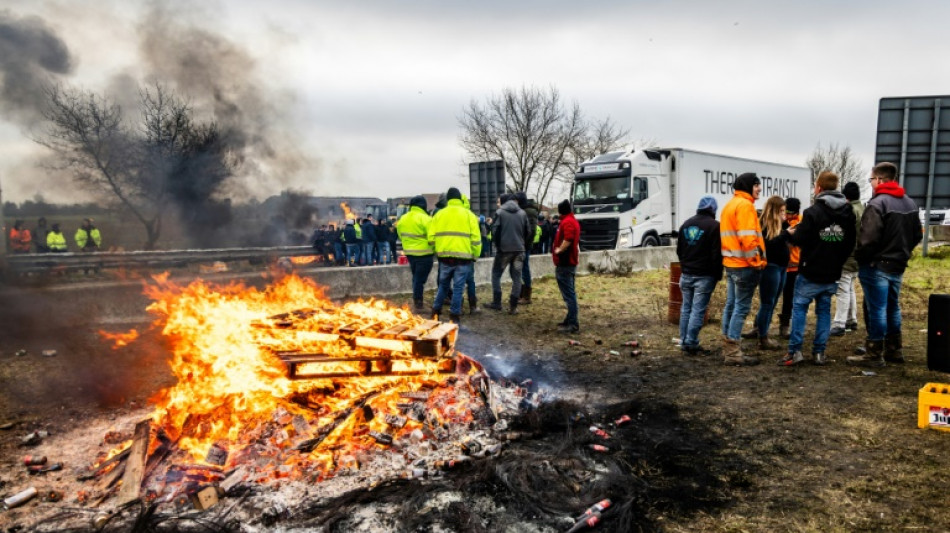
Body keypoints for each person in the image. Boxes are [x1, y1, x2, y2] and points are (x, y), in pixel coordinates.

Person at [848, 162, 922, 367]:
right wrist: (903, 252)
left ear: (879, 180)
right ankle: (894, 349)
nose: (871, 183)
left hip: (876, 265)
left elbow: (868, 240)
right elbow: (917, 234)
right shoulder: (909, 203)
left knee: (877, 309)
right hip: (898, 264)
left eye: (871, 179)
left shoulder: (877, 204)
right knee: (892, 307)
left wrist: (861, 257)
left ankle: (874, 353)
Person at [779, 171, 856, 366]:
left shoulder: (813, 212)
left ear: (819, 188)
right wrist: (838, 260)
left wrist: (788, 235)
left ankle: (795, 351)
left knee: (799, 309)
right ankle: (819, 352)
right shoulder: (848, 212)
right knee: (823, 311)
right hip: (833, 272)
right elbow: (849, 242)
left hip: (810, 269)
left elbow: (800, 239)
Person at [719, 172, 765, 366]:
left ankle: (727, 344)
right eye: (756, 185)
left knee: (731, 305)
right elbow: (748, 239)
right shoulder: (745, 206)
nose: (759, 189)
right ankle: (733, 352)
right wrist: (757, 263)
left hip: (730, 264)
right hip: (744, 266)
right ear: (748, 186)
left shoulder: (730, 205)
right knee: (741, 308)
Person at [676, 196, 723, 355]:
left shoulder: (686, 224)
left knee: (686, 309)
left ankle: (683, 341)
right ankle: (691, 342)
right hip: (704, 275)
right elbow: (717, 254)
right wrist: (717, 274)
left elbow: (679, 250)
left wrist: (685, 266)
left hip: (686, 274)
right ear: (714, 210)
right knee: (698, 310)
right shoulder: (715, 226)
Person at [742, 196, 790, 350]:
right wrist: (786, 234)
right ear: (774, 211)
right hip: (770, 266)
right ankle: (763, 336)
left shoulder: (781, 224)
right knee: (768, 302)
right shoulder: (763, 225)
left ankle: (760, 328)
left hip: (782, 266)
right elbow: (768, 245)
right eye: (781, 211)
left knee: (774, 301)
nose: (784, 214)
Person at [428, 187, 481, 323]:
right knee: (458, 288)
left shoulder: (439, 214)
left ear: (448, 199)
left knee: (443, 286)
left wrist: (438, 250)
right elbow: (476, 239)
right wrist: (475, 255)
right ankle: (454, 317)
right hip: (464, 259)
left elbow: (431, 238)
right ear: (459, 198)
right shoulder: (469, 215)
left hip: (444, 257)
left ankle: (435, 312)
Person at [830, 182, 864, 336]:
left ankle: (839, 324)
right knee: (849, 287)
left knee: (842, 289)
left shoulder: (849, 210)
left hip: (848, 255)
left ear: (846, 196)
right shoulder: (862, 209)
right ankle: (852, 319)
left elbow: (842, 233)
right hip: (859, 255)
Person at [488, 193, 531, 314]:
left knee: (496, 275)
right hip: (519, 250)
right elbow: (528, 231)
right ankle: (513, 307)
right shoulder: (522, 213)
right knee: (517, 278)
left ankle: (497, 302)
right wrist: (522, 243)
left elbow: (494, 230)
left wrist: (498, 245)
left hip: (504, 250)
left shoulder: (500, 212)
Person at [397, 195, 434, 310]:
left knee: (416, 277)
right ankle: (418, 302)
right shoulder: (426, 219)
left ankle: (417, 299)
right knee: (419, 279)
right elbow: (432, 238)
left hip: (410, 253)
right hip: (425, 253)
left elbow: (400, 235)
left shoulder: (403, 218)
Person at [552, 200, 581, 333]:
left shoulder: (567, 221)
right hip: (568, 262)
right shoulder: (570, 220)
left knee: (569, 294)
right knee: (570, 293)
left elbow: (568, 239)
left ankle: (573, 323)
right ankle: (570, 319)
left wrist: (559, 250)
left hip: (565, 262)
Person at [776, 197, 802, 338]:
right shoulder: (781, 222)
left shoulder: (802, 222)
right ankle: (758, 325)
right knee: (771, 296)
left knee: (789, 297)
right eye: (787, 212)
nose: (788, 216)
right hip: (781, 264)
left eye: (791, 213)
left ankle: (784, 326)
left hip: (795, 267)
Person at [518, 194, 539, 305]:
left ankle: (526, 296)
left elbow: (531, 232)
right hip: (523, 245)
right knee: (522, 269)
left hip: (525, 246)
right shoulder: (525, 211)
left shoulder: (529, 212)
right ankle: (522, 293)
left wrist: (523, 244)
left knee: (525, 269)